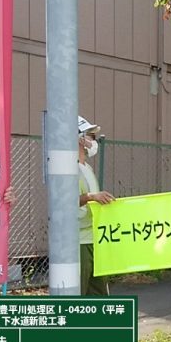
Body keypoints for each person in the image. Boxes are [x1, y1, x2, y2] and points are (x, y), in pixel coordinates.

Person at [78, 116, 115, 295]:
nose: (93, 141)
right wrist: (92, 196)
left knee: (98, 293)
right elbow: (63, 202)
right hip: (77, 242)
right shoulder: (67, 168)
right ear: (78, 138)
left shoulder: (87, 168)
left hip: (94, 238)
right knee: (79, 292)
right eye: (90, 136)